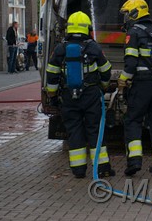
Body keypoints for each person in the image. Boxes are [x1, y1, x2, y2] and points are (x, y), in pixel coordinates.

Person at [45, 11, 114, 178]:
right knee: (95, 130)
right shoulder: (94, 47)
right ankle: (102, 168)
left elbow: (51, 74)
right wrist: (104, 87)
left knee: (74, 130)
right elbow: (106, 71)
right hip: (91, 95)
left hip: (68, 97)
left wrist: (53, 96)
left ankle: (78, 170)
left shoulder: (60, 48)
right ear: (87, 28)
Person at [118, 0, 152, 176]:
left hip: (142, 84)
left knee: (133, 120)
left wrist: (123, 80)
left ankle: (134, 161)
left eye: (126, 14)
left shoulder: (134, 32)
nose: (125, 18)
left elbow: (130, 64)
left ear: (134, 13)